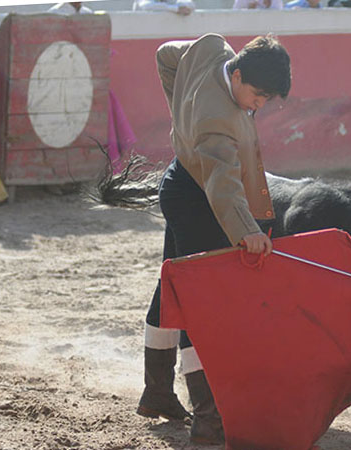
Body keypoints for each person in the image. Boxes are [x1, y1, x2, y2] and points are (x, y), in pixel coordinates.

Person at [135, 33, 291, 445]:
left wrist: (179, 111)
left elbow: (165, 56)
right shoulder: (216, 123)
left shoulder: (210, 48)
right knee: (201, 301)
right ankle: (208, 418)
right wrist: (249, 232)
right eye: (257, 96)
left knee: (171, 286)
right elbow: (223, 187)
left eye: (265, 99)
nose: (258, 105)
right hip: (196, 198)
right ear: (237, 75)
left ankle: (157, 392)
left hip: (180, 180)